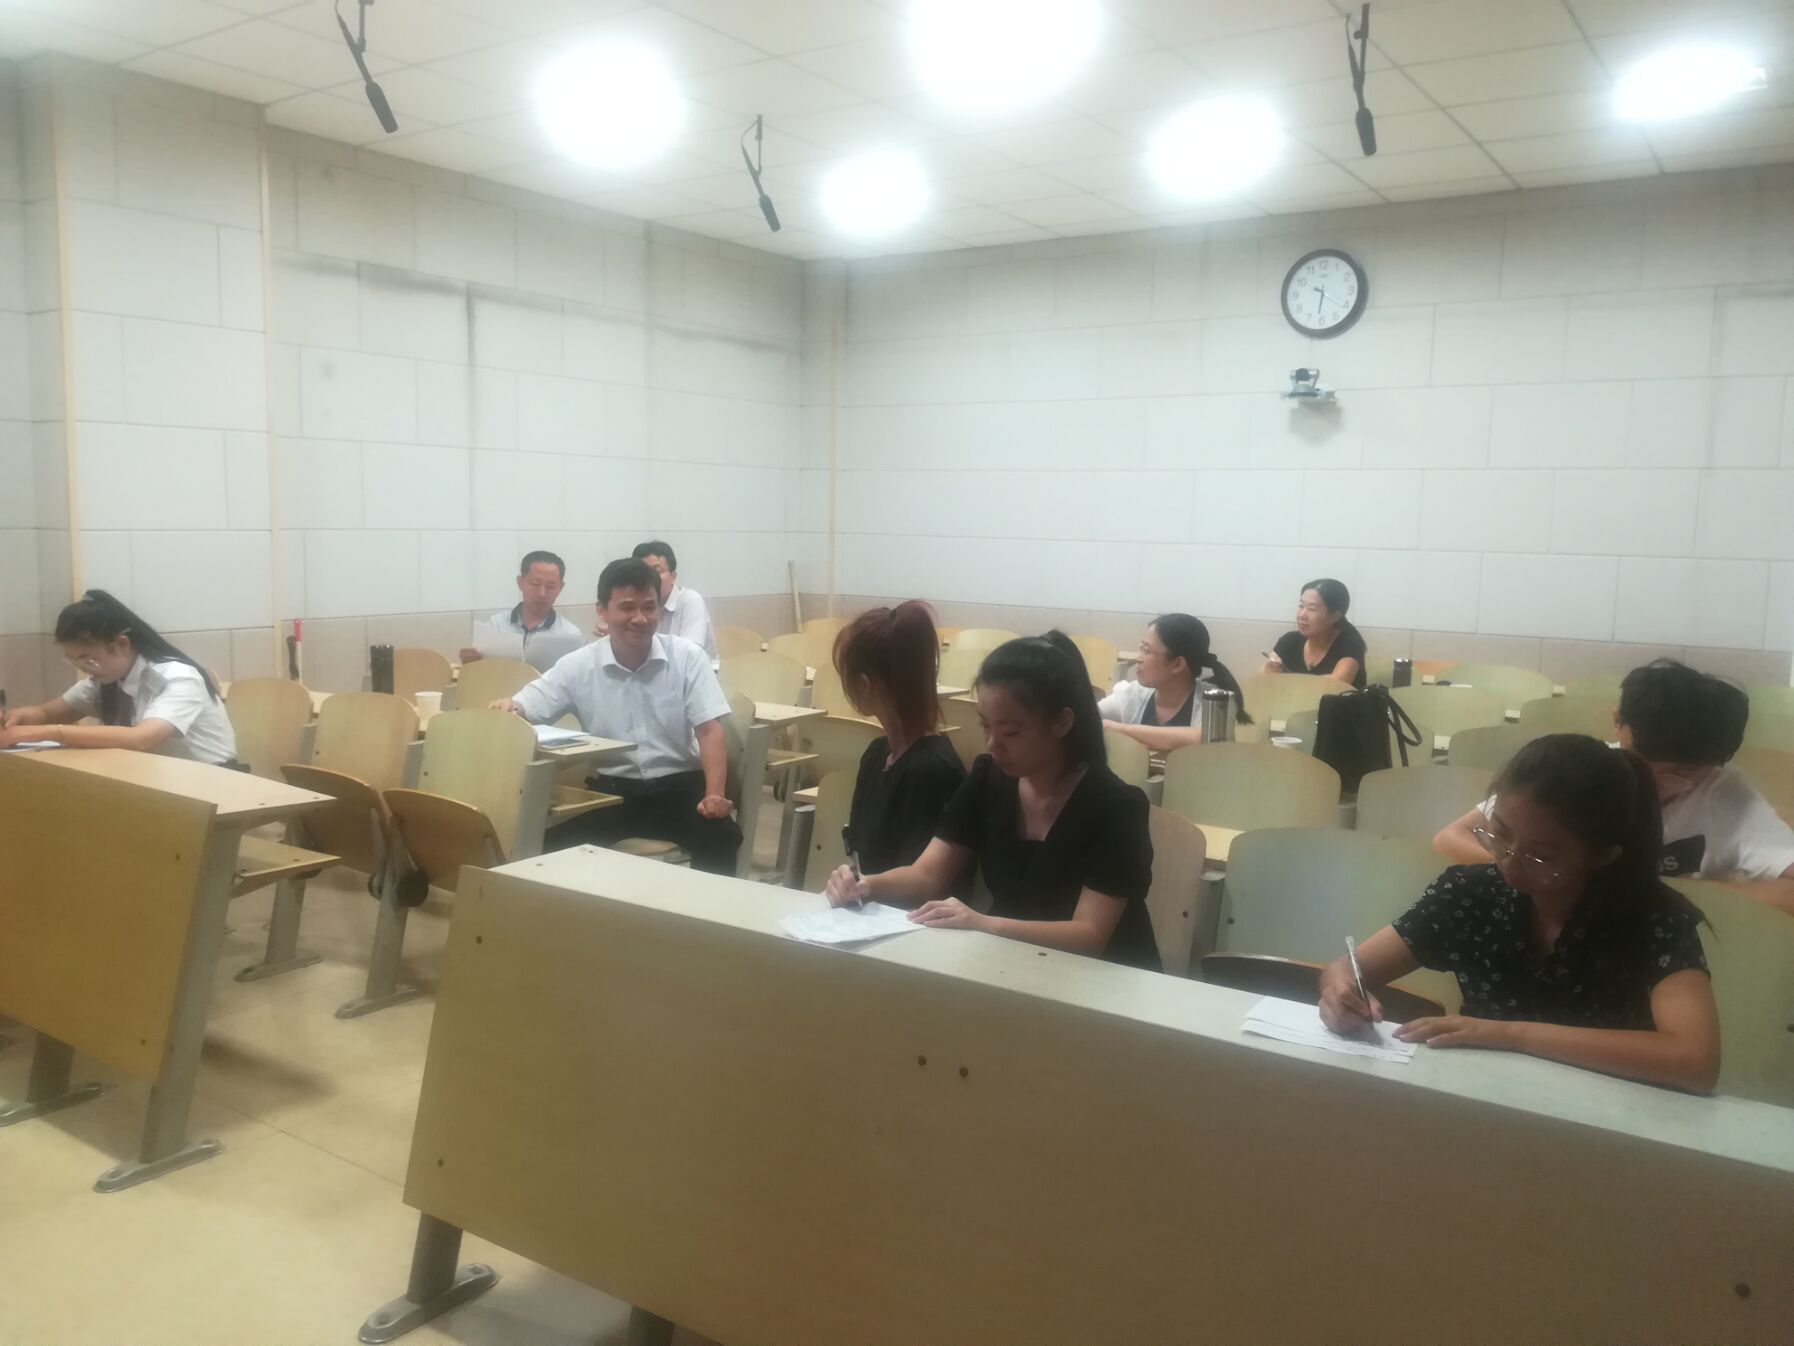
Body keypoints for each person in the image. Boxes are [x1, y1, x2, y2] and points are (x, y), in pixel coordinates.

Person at [1321, 734, 1718, 1093]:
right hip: (1483, 1098)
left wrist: (1511, 1035)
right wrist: (1341, 992)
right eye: (1500, 834)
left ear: (1602, 856)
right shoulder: (1472, 893)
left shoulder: (1652, 919)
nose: (1509, 863)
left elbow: (1695, 1061)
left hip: (1605, 1113)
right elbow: (1348, 969)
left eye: (1541, 855)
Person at [823, 632, 1160, 970]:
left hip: (1107, 977)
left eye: (1010, 732)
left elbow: (1089, 935)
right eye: (986, 727)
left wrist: (984, 924)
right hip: (1014, 963)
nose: (992, 745)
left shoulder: (1117, 807)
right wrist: (867, 884)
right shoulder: (989, 779)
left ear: (1062, 722)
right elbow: (927, 873)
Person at [1434, 660, 1794, 913]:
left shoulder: (1723, 789)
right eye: (1638, 759)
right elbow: (1451, 838)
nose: (1652, 781)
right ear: (1616, 722)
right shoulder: (1584, 768)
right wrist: (1548, 875)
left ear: (1717, 762)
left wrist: (1658, 892)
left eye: (1682, 773)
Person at [493, 558, 740, 874]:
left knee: (721, 837)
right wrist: (511, 707)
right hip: (613, 794)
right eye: (627, 608)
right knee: (540, 848)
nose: (640, 618)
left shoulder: (687, 658)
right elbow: (527, 705)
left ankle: (708, 908)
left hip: (680, 790)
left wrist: (715, 795)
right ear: (602, 611)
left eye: (649, 607)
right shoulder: (578, 665)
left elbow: (709, 731)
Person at [0, 589, 240, 766]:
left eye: (88, 659)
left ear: (121, 645)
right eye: (73, 660)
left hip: (215, 784)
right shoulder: (106, 680)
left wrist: (49, 732)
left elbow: (141, 739)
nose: (84, 668)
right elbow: (46, 713)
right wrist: (17, 718)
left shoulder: (178, 678)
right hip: (156, 781)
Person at [833, 601, 967, 880]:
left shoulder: (934, 770)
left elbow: (922, 881)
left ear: (864, 685)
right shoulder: (876, 755)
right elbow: (862, 858)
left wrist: (862, 886)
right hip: (870, 901)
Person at [1099, 613, 1253, 752]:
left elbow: (1206, 738)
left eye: (1147, 651)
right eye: (1141, 648)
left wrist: (1118, 728)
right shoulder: (1131, 694)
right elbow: (1091, 717)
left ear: (1178, 664)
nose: (1138, 658)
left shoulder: (1217, 702)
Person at [459, 550, 586, 673]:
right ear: (520, 582)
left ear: (560, 588)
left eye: (550, 586)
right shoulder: (496, 625)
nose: (542, 593)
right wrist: (471, 662)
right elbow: (481, 673)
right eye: (535, 584)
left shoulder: (569, 634)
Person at [1260, 577, 1366, 689]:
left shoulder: (1350, 644)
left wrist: (1286, 680)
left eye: (1312, 609)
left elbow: (1337, 684)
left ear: (1335, 616)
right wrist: (1268, 670)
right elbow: (1260, 680)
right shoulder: (1290, 640)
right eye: (1301, 606)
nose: (1302, 615)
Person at [632, 540, 716, 662]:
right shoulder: (638, 606)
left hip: (694, 670)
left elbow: (690, 654)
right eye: (642, 573)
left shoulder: (691, 601)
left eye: (657, 572)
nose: (650, 579)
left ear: (673, 576)